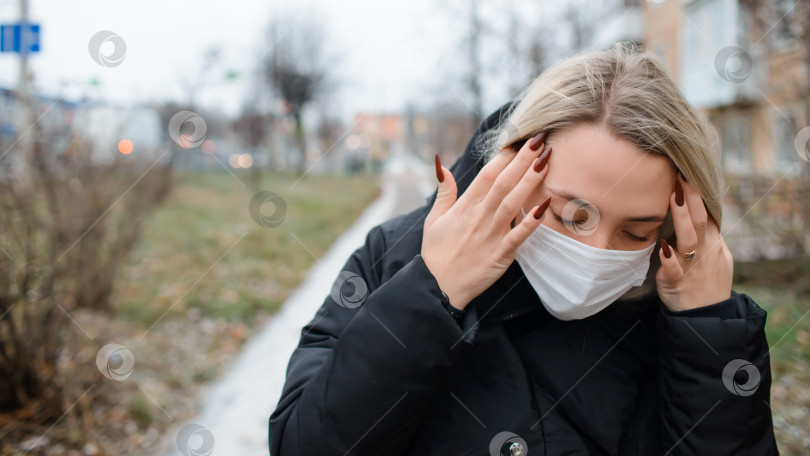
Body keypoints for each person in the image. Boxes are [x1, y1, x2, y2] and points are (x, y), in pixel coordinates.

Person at [268, 43, 779, 455]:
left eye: (637, 232)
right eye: (571, 214)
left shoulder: (680, 312)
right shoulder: (398, 255)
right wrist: (432, 293)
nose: (596, 252)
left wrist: (709, 334)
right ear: (513, 165)